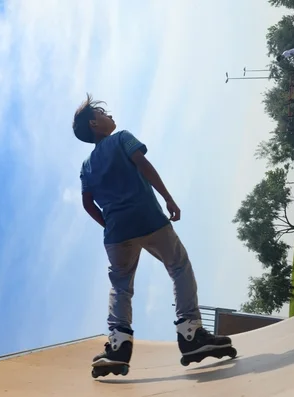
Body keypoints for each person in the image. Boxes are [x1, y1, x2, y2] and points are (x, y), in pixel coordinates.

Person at [72, 94, 232, 367]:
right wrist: (168, 198)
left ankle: (118, 345)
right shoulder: (121, 138)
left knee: (121, 287)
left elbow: (87, 204)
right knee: (179, 266)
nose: (109, 114)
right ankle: (190, 333)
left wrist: (109, 224)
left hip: (115, 236)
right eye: (101, 112)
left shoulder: (86, 166)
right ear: (94, 124)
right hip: (148, 219)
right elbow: (143, 165)